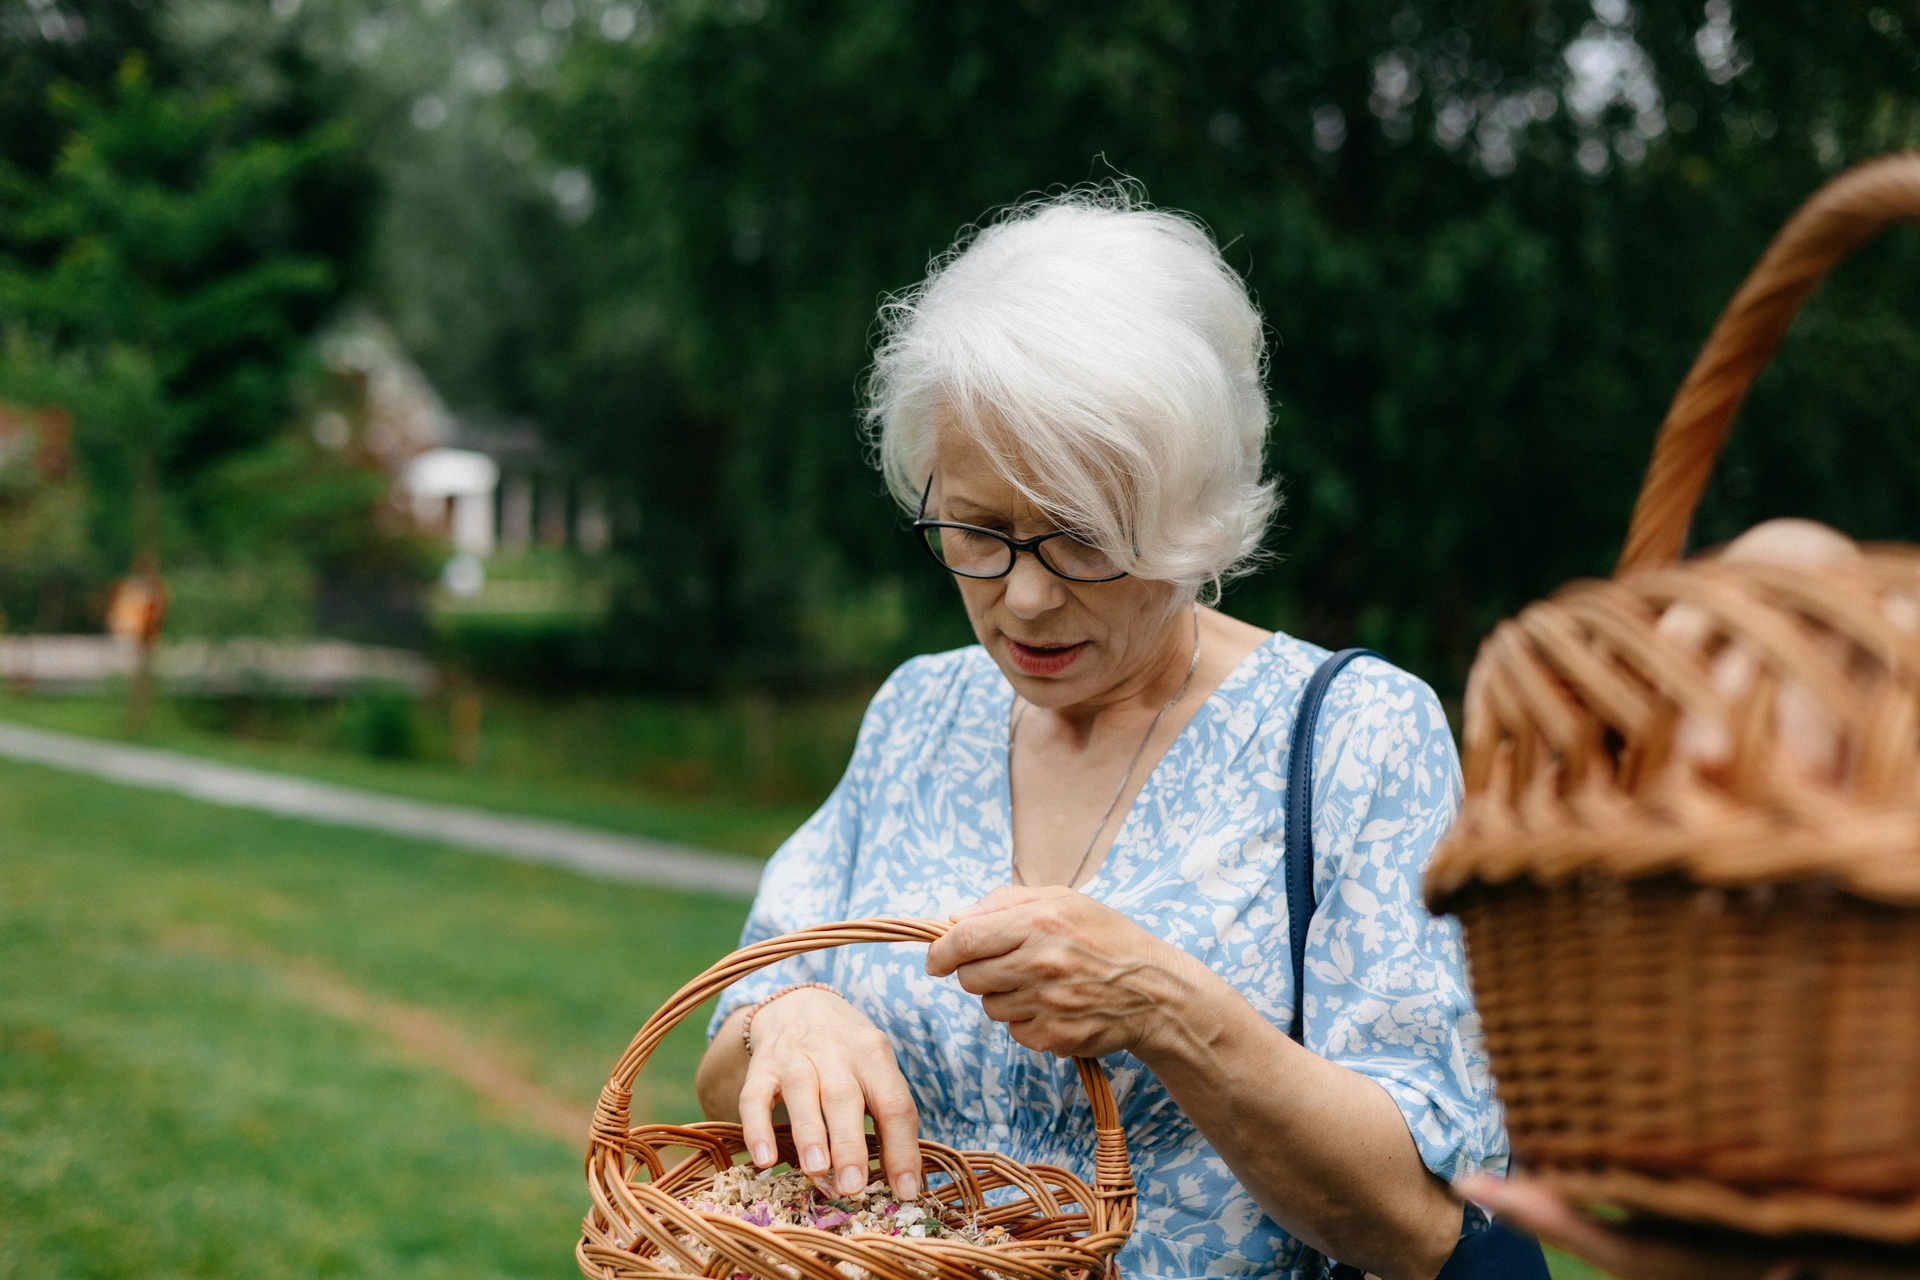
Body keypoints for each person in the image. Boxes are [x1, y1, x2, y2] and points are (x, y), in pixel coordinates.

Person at [695, 189, 1507, 1280]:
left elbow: (1416, 1229)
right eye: (978, 529)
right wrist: (788, 1015)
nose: (1025, 598)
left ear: (1192, 518)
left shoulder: (1355, 737)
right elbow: (725, 1057)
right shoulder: (920, 713)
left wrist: (1163, 1004)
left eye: (1082, 537)